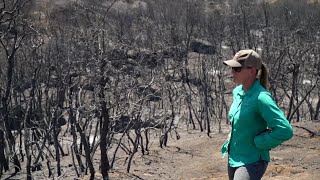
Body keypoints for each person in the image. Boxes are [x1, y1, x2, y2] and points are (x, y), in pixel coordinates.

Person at [221, 49, 293, 180]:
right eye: (232, 68)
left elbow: (285, 130)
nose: (232, 72)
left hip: (253, 159)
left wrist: (260, 142)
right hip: (234, 157)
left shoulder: (262, 98)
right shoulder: (237, 92)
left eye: (237, 69)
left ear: (252, 71)